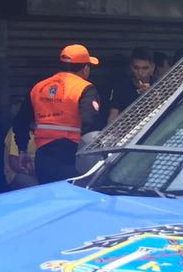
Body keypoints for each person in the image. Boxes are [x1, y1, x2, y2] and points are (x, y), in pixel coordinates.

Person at [12, 44, 103, 184]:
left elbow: (20, 122)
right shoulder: (85, 88)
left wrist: (23, 149)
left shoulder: (39, 87)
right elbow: (90, 125)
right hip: (72, 158)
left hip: (44, 159)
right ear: (85, 68)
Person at [107, 47, 155, 124]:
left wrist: (150, 96)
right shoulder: (121, 86)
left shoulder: (160, 84)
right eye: (136, 68)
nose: (140, 72)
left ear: (152, 67)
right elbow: (113, 116)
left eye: (145, 68)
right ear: (131, 67)